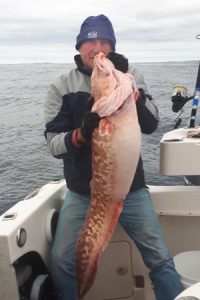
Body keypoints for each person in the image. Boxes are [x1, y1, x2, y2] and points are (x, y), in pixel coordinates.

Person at [44, 14, 183, 300]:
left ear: (112, 46)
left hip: (132, 190)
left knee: (160, 258)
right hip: (83, 193)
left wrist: (134, 95)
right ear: (79, 48)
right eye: (90, 42)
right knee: (62, 260)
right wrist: (81, 133)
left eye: (104, 42)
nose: (97, 49)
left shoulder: (129, 74)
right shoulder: (61, 85)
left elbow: (152, 124)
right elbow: (53, 143)